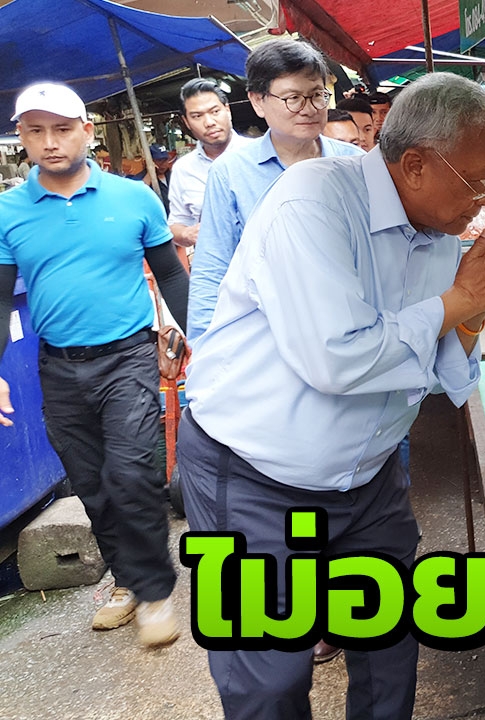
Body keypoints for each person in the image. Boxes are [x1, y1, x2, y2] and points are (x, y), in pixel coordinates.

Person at [175, 72, 485, 720]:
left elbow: (446, 375)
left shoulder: (439, 232)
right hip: (255, 474)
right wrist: (459, 300)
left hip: (368, 475)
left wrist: (469, 316)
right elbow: (338, 357)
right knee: (268, 680)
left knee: (389, 652)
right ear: (414, 165)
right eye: (478, 182)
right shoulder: (315, 202)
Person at [0, 83, 189, 647]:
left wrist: (202, 336)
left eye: (62, 128)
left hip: (128, 356)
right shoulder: (9, 211)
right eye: (36, 130)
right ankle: (127, 579)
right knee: (93, 486)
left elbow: (173, 274)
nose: (50, 142)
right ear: (23, 138)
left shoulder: (133, 199)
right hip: (57, 367)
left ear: (87, 131)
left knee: (132, 474)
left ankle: (155, 591)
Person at [187, 39, 363, 343]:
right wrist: (204, 349)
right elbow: (212, 268)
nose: (308, 109)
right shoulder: (230, 173)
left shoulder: (355, 164)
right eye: (293, 98)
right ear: (257, 102)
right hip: (267, 339)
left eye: (317, 95)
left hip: (351, 329)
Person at [167, 78, 248, 254]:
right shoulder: (183, 169)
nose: (209, 122)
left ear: (228, 110)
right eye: (197, 116)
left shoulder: (257, 154)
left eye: (215, 111)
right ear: (187, 122)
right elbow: (176, 223)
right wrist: (187, 233)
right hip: (214, 270)